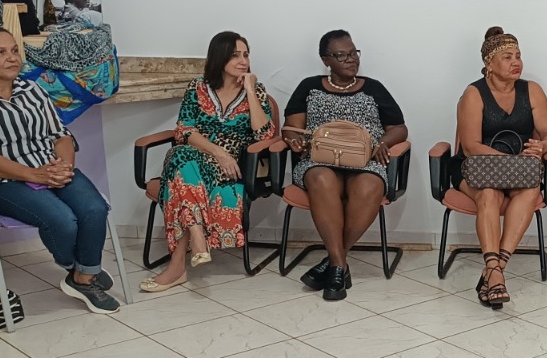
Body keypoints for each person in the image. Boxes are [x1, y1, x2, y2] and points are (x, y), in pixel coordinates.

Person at [0, 26, 120, 314]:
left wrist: (63, 167)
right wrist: (33, 175)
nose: (12, 58)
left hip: (50, 170)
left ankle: (83, 277)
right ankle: (83, 272)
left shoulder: (32, 89)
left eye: (14, 50)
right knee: (62, 219)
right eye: (0, 52)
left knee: (94, 208)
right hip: (2, 183)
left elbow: (61, 135)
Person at [142, 32, 276, 293]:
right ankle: (195, 238)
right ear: (219, 56)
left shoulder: (256, 91)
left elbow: (265, 134)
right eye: (235, 54)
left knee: (177, 167)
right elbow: (185, 130)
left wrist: (249, 90)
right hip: (199, 159)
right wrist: (217, 151)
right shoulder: (197, 87)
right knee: (181, 155)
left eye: (246, 54)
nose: (243, 60)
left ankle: (178, 265)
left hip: (231, 167)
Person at [284, 31, 409, 301]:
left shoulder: (373, 87)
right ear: (325, 59)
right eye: (342, 55)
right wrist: (295, 142)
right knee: (321, 179)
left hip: (365, 161)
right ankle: (339, 266)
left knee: (370, 186)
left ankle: (333, 263)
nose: (351, 60)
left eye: (354, 53)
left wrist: (383, 142)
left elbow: (399, 128)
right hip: (319, 161)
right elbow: (291, 129)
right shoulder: (309, 86)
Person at [457, 27, 547, 309]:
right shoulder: (474, 94)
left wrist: (543, 146)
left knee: (529, 193)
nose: (516, 62)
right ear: (489, 64)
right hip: (478, 171)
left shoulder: (532, 91)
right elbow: (470, 146)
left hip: (520, 174)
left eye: (518, 56)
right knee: (489, 194)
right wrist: (512, 162)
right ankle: (495, 272)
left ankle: (494, 272)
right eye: (507, 57)